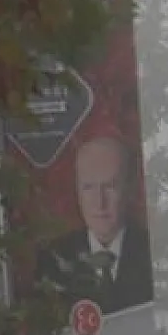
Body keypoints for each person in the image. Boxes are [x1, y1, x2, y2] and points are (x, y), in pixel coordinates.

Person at [34, 135, 154, 316]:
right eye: (88, 187)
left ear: (129, 189)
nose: (99, 202)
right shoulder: (53, 259)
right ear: (77, 190)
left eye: (110, 186)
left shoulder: (153, 253)